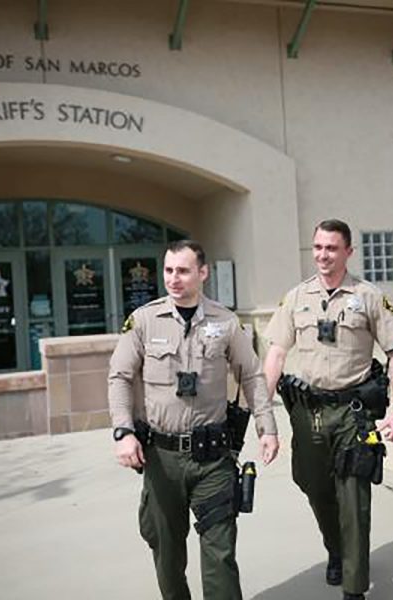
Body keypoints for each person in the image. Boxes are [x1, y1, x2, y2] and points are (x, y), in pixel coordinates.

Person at [108, 239, 280, 600]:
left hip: (212, 459)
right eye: (169, 270)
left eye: (183, 271)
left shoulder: (226, 322)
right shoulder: (142, 320)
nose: (174, 278)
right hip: (161, 459)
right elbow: (120, 377)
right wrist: (123, 432)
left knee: (220, 553)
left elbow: (251, 375)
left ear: (202, 273)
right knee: (167, 553)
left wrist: (267, 427)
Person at [262, 219, 393, 600]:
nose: (323, 255)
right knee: (313, 486)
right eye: (317, 248)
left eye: (331, 248)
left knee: (354, 497)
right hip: (308, 413)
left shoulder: (369, 296)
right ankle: (336, 548)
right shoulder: (296, 297)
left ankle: (354, 586)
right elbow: (276, 352)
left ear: (348, 252)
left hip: (353, 412)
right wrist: (263, 412)